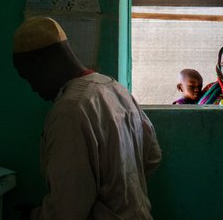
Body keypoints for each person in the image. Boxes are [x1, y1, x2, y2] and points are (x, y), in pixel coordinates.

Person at [12, 16, 162, 220]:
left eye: (29, 77)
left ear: (40, 64)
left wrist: (34, 215)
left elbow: (68, 208)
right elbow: (152, 157)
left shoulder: (70, 110)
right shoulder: (115, 88)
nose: (33, 88)